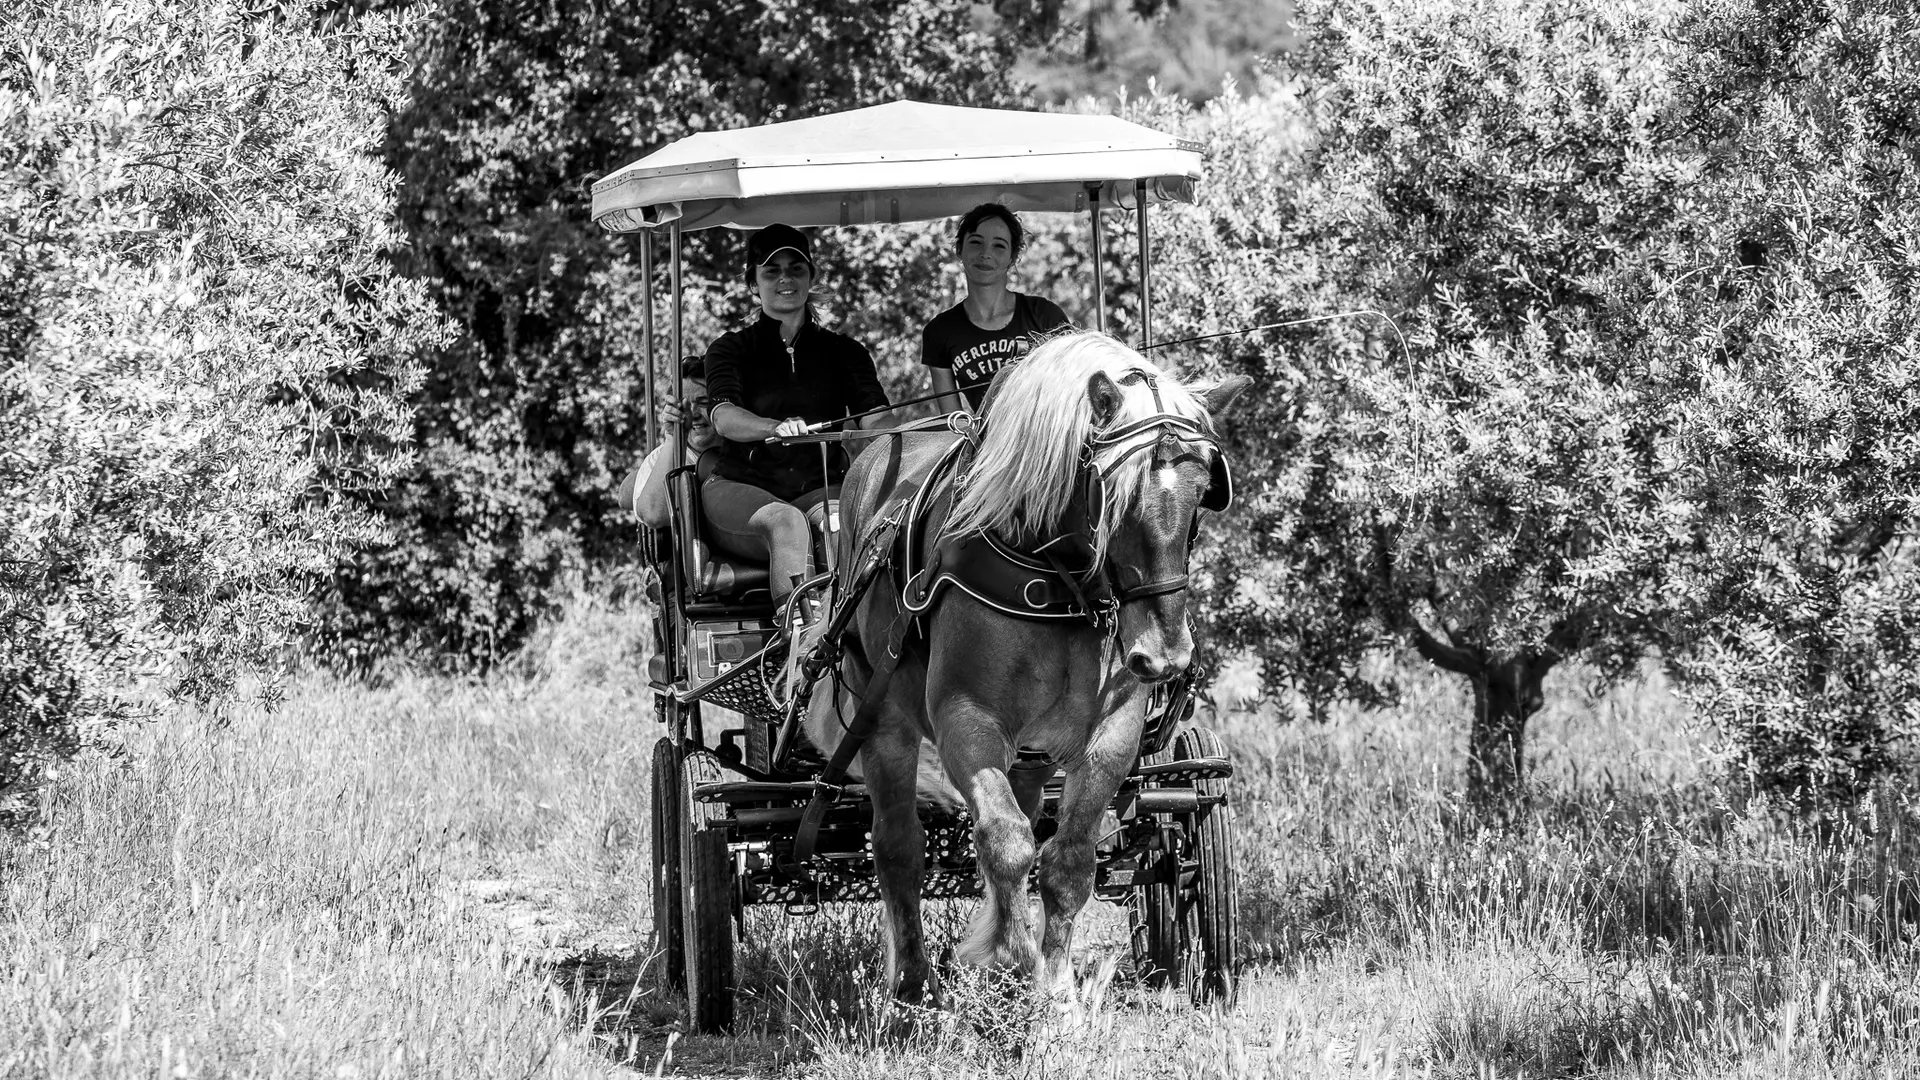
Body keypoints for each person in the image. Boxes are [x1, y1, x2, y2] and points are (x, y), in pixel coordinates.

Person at [700, 223, 891, 606]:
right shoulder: (730, 349)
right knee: (786, 523)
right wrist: (774, 428)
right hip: (740, 487)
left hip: (819, 486)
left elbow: (876, 419)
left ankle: (851, 639)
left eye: (796, 268)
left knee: (841, 523)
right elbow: (723, 416)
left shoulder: (845, 351)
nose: (785, 278)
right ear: (753, 283)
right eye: (771, 270)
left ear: (810, 277)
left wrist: (905, 432)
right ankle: (801, 643)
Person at [921, 203, 1072, 413]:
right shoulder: (939, 331)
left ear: (1012, 257)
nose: (985, 253)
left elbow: (1072, 394)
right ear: (959, 249)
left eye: (999, 245)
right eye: (975, 242)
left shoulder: (1045, 316)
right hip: (984, 443)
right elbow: (952, 421)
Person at [614, 356, 718, 529]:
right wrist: (673, 439)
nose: (693, 414)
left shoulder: (744, 449)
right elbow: (654, 516)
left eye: (703, 403)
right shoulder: (662, 458)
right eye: (684, 406)